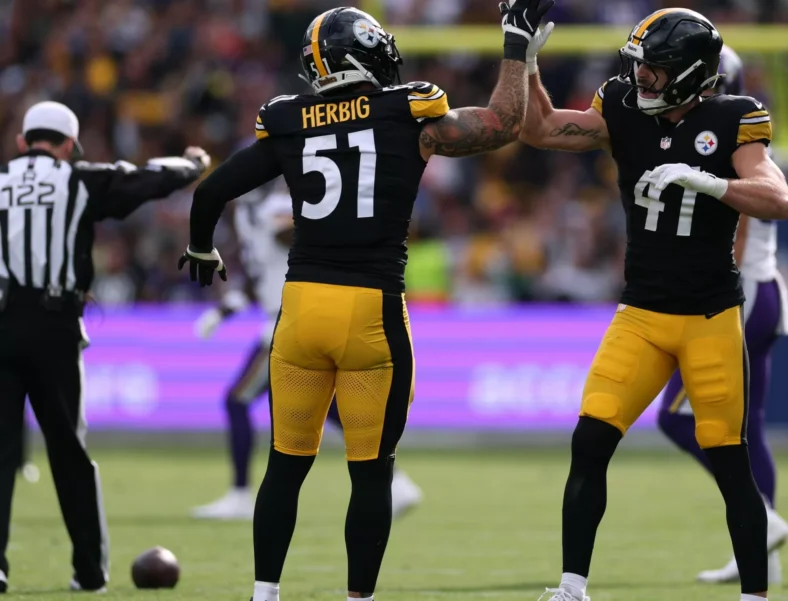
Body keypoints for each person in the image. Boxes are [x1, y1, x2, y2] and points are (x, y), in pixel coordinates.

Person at [177, 4, 552, 600]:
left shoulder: (289, 118)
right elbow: (504, 123)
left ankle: (264, 593)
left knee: (285, 466)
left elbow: (212, 192)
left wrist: (202, 248)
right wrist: (515, 46)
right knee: (371, 473)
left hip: (300, 312)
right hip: (370, 312)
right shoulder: (408, 109)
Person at [520, 9, 788, 601]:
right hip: (641, 314)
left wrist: (711, 182)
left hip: (710, 318)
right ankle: (571, 588)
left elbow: (779, 199)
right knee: (590, 441)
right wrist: (527, 61)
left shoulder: (734, 117)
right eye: (639, 65)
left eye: (654, 68)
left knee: (731, 463)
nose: (640, 76)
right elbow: (540, 130)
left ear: (691, 72)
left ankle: (754, 596)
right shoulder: (621, 105)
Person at [0, 100, 208, 594]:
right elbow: (149, 178)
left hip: (2, 325)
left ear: (22, 142)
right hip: (54, 326)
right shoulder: (79, 179)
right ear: (70, 146)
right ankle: (89, 570)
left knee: (0, 452)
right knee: (69, 451)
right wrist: (193, 163)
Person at [190, 179, 422, 521]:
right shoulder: (248, 217)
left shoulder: (273, 208)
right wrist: (224, 311)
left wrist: (306, 222)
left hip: (289, 323)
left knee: (237, 400)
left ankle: (240, 495)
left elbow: (294, 235)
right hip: (285, 318)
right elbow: (259, 276)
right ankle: (396, 481)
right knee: (328, 409)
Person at [655, 45, 788, 586]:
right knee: (747, 425)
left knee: (676, 418)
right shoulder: (742, 137)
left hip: (743, 293)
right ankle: (762, 556)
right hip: (766, 291)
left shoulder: (729, 138)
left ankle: (763, 517)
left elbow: (735, 234)